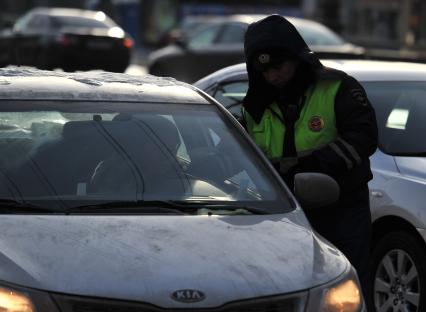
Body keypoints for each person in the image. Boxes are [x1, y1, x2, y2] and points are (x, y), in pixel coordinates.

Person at [241, 14, 378, 299]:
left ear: (297, 57)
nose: (272, 76)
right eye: (264, 71)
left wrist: (314, 167)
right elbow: (242, 156)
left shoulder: (339, 87)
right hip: (283, 213)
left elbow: (363, 137)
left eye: (278, 66)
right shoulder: (254, 106)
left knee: (347, 287)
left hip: (341, 208)